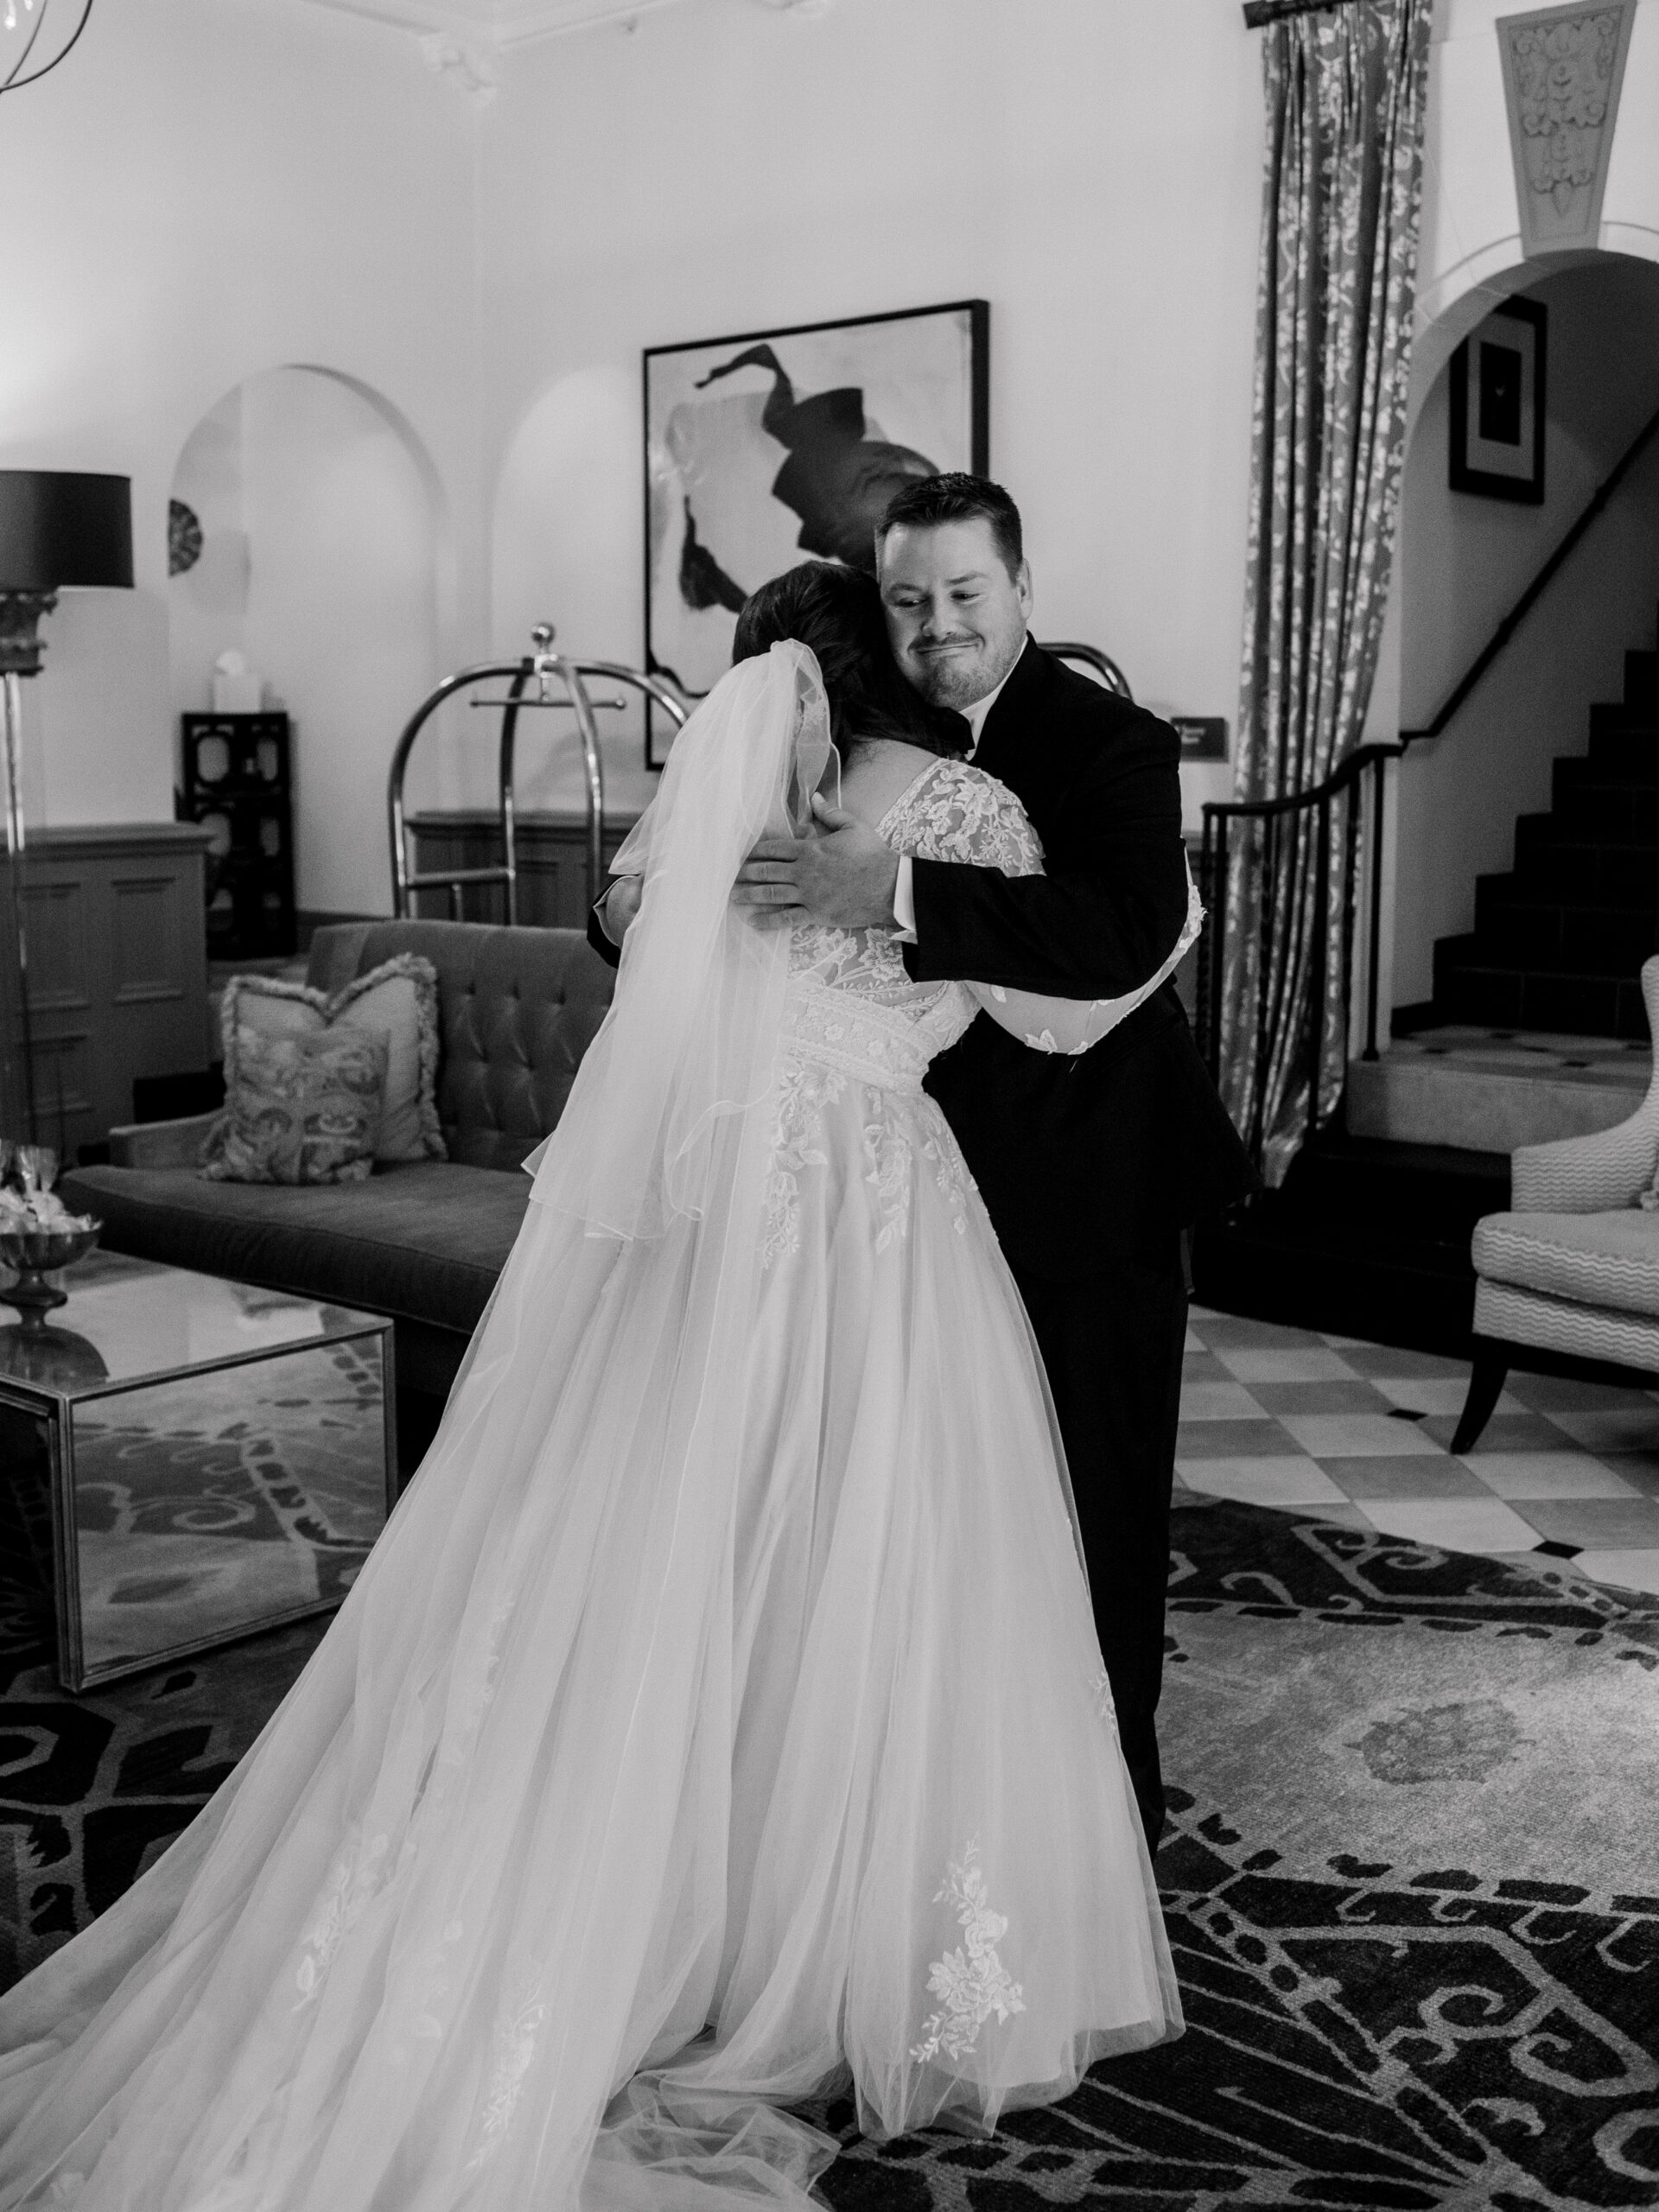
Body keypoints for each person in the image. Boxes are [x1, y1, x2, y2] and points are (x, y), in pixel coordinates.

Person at [0, 568, 1180, 2212]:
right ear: (889, 655)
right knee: (868, 1548)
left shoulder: (716, 803)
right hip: (873, 1213)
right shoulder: (964, 808)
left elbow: (645, 968)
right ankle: (811, 1922)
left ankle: (641, 1888)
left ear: (765, 674)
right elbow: (1068, 1017)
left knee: (652, 1555)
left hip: (708, 1227)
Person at [722, 476, 1257, 1853]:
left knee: (1094, 1506)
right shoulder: (836, 745)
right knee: (940, 1521)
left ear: (1021, 585)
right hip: (898, 1198)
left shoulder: (1110, 740)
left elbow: (1122, 928)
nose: (939, 625)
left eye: (965, 594)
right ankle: (948, 1812)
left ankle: (1107, 1817)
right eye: (909, 601)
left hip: (1089, 1193)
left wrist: (895, 896)